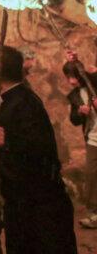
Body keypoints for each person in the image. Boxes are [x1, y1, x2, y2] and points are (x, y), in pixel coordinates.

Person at [0, 46, 77, 253]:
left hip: (38, 210)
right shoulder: (18, 97)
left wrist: (7, 140)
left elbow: (40, 150)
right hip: (26, 204)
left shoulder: (23, 104)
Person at [64, 52, 97, 228]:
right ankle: (95, 213)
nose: (71, 81)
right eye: (68, 77)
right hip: (93, 138)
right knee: (92, 175)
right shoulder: (74, 96)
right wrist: (79, 112)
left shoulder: (94, 84)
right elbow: (74, 120)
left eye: (74, 77)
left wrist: (77, 61)